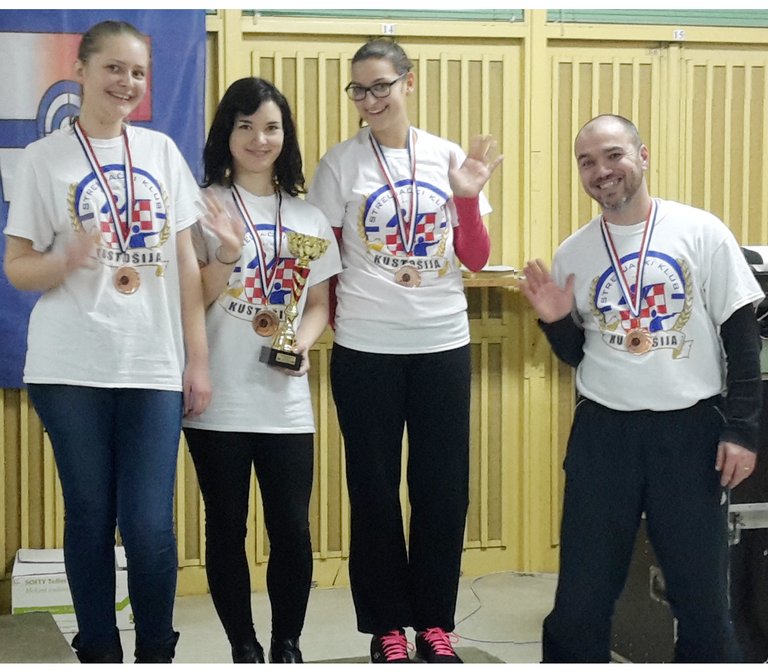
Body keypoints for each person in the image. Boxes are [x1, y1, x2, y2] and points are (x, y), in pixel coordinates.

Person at [519, 113, 764, 663]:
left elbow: (743, 339)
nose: (602, 171)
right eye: (587, 162)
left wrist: (743, 431)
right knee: (581, 599)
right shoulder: (575, 251)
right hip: (604, 434)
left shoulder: (701, 232)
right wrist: (556, 322)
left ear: (643, 156)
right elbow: (578, 355)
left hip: (690, 434)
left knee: (700, 600)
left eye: (614, 155)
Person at [2, 20, 210, 664]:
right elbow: (18, 267)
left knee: (147, 523)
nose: (127, 82)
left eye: (138, 72)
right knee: (89, 515)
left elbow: (186, 264)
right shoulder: (43, 159)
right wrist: (62, 261)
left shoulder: (161, 153)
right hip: (69, 367)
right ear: (82, 71)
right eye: (114, 68)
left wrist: (198, 360)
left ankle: (156, 651)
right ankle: (98, 649)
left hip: (150, 363)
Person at [306, 38, 502, 664]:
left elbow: (475, 257)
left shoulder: (446, 156)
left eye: (381, 86)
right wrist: (312, 334)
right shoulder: (340, 164)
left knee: (443, 491)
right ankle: (387, 625)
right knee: (373, 490)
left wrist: (465, 195)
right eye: (359, 90)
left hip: (441, 342)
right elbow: (323, 265)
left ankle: (435, 624)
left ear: (408, 83)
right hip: (366, 348)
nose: (370, 100)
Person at [182, 77, 341, 664]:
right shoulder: (201, 207)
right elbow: (192, 300)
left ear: (285, 136)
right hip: (217, 397)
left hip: (284, 399)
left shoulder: (308, 217)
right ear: (226, 134)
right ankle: (243, 647)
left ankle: (287, 643)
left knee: (292, 529)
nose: (258, 139)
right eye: (245, 126)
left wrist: (300, 341)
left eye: (271, 127)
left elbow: (320, 304)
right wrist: (226, 253)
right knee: (226, 527)